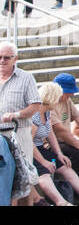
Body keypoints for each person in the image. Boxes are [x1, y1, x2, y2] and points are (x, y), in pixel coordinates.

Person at [0, 40, 42, 204]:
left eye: (6, 58)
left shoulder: (25, 78)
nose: (2, 61)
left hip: (18, 132)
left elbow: (36, 105)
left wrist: (17, 114)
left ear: (15, 59)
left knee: (23, 179)